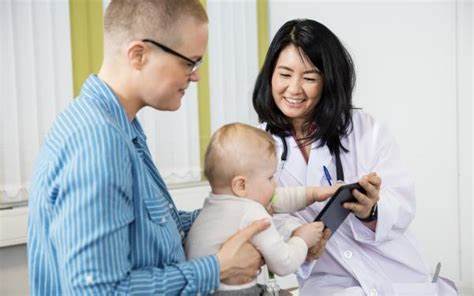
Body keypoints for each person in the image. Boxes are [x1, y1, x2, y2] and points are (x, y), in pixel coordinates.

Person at [27, 1, 270, 294]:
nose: (195, 75)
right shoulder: (97, 142)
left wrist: (241, 212)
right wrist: (217, 267)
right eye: (188, 62)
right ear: (138, 54)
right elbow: (99, 291)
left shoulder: (121, 125)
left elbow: (152, 229)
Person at [253, 19, 458, 295]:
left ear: (328, 81)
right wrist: (296, 238)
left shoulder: (364, 129)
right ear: (270, 75)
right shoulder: (254, 146)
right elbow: (262, 216)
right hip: (329, 282)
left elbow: (403, 202)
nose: (294, 89)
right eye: (285, 74)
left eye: (310, 78)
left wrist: (371, 210)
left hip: (397, 274)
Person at [185, 123, 335, 295]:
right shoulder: (253, 213)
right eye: (270, 177)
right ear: (241, 185)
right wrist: (302, 239)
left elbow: (278, 198)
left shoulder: (214, 205)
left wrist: (314, 193)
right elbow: (284, 264)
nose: (275, 183)